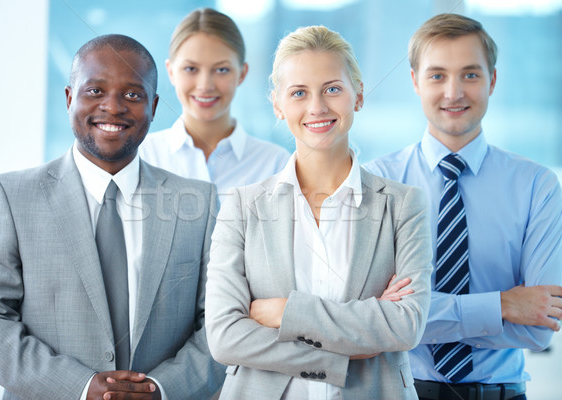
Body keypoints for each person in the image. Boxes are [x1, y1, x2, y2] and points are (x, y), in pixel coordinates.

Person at [0, 34, 224, 400]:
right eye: (95, 91)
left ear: (154, 105)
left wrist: (161, 389)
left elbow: (220, 322)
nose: (113, 107)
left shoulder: (198, 201)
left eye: (133, 95)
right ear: (70, 98)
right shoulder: (11, 197)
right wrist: (80, 388)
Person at [205, 25, 433, 400]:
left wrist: (284, 313)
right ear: (278, 105)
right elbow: (225, 337)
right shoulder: (243, 206)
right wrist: (348, 348)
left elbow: (406, 326)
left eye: (332, 89)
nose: (317, 107)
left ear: (357, 95)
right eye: (299, 93)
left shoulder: (404, 204)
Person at [364, 13, 562, 400]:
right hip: (400, 392)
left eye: (470, 75)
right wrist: (503, 305)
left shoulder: (537, 185)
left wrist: (418, 315)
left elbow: (538, 327)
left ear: (492, 80)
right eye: (437, 75)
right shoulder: (376, 183)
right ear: (415, 82)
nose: (454, 93)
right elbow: (375, 319)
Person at [139, 8, 290, 200]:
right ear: (171, 72)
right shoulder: (142, 156)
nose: (205, 86)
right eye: (191, 68)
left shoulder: (276, 164)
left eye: (221, 69)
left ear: (242, 74)